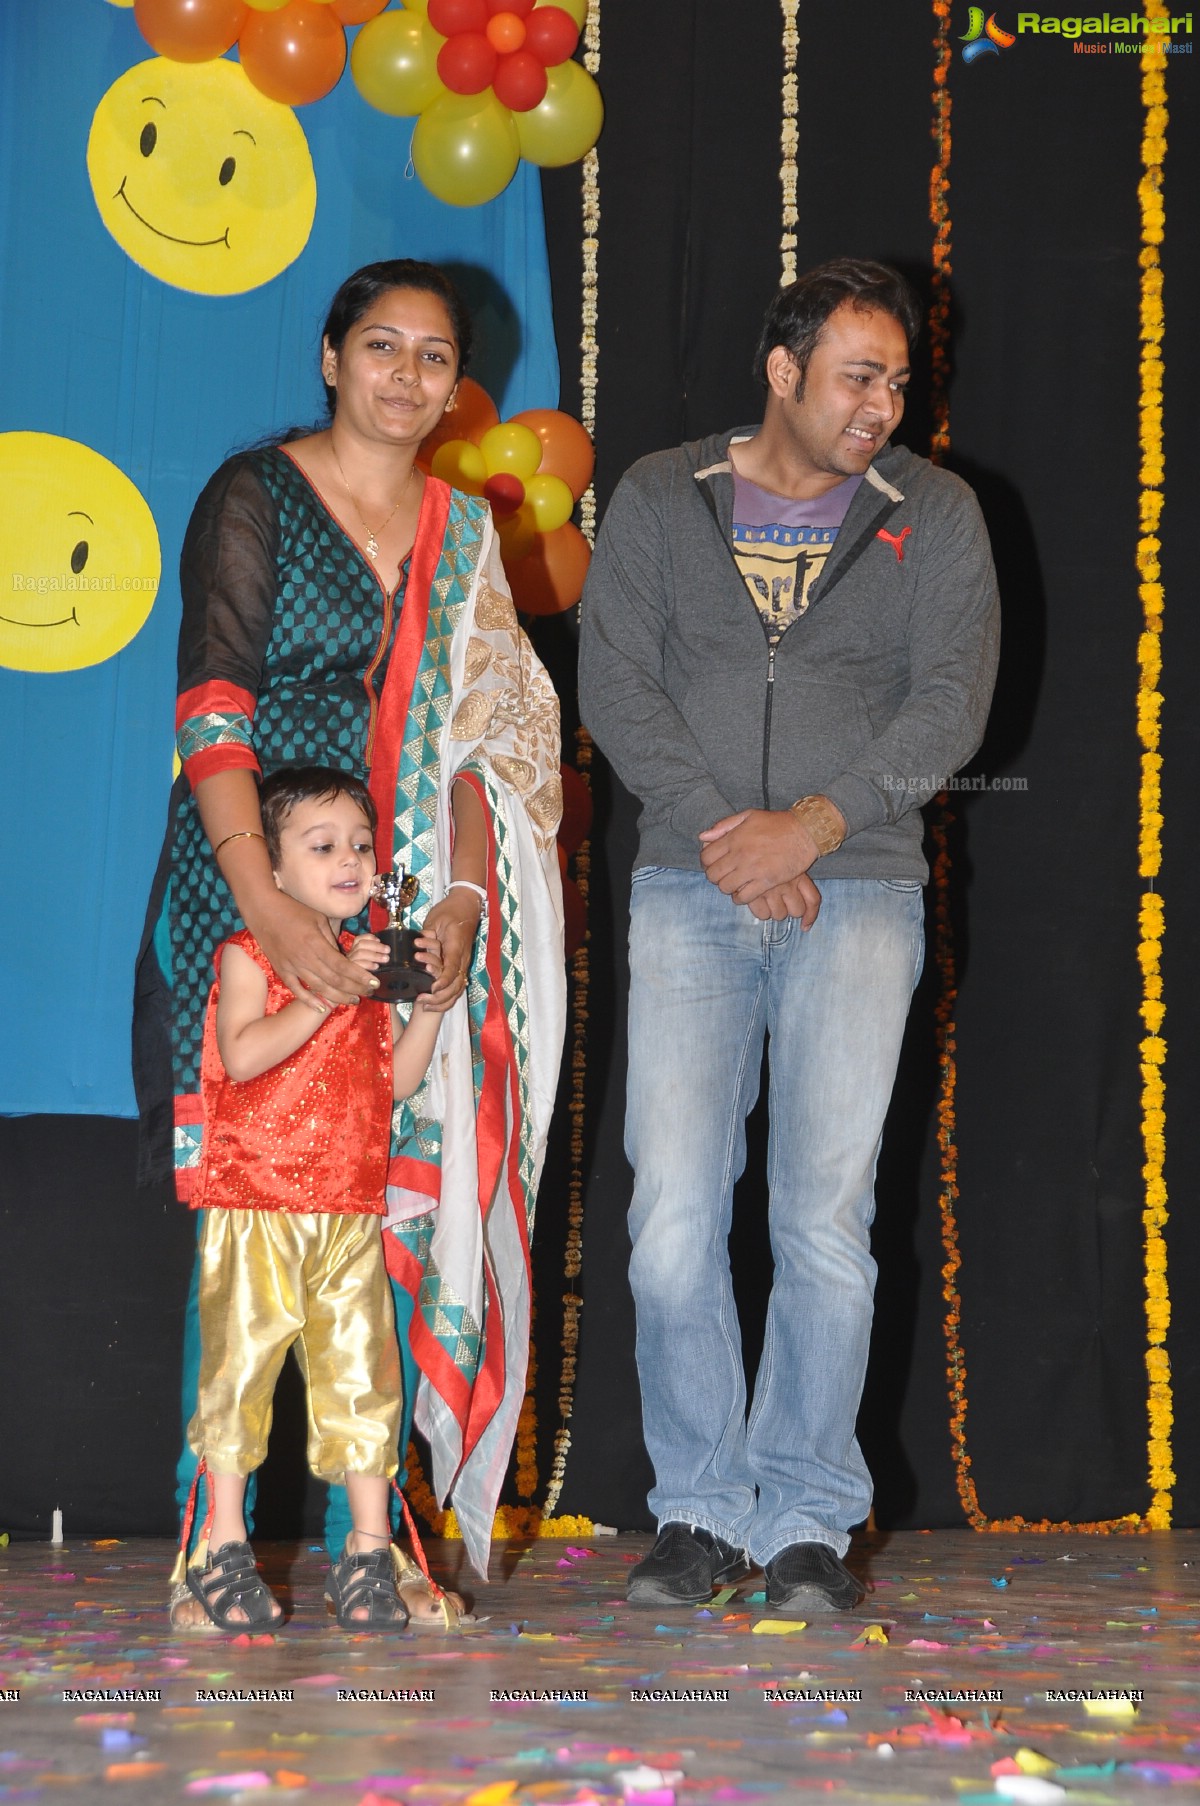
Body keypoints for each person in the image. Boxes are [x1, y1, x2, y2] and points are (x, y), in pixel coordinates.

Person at [135, 259, 565, 1630]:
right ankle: (211, 1546)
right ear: (330, 356)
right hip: (242, 884)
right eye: (380, 346)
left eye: (433, 357)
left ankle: (369, 1541)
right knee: (252, 1227)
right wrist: (265, 899)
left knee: (378, 1203)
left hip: (400, 893)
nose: (406, 376)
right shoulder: (255, 494)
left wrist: (455, 908)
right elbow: (212, 698)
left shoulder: (463, 530)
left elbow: (490, 738)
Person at [578, 259, 999, 1614]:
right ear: (783, 369)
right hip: (690, 881)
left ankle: (809, 1515)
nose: (884, 403)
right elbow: (615, 683)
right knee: (673, 1215)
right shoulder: (659, 493)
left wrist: (808, 827)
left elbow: (951, 703)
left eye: (899, 380)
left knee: (825, 1216)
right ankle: (701, 1508)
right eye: (856, 376)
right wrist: (727, 836)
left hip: (857, 883)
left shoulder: (933, 511)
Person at [178, 766, 444, 1630]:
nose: (349, 860)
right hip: (256, 1206)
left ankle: (367, 1552)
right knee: (240, 1375)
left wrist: (429, 1009)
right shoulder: (248, 956)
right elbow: (245, 1055)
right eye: (322, 845)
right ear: (274, 871)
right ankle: (221, 1544)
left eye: (361, 845)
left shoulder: (364, 965)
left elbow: (396, 1083)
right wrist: (333, 990)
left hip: (346, 1213)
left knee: (364, 1380)